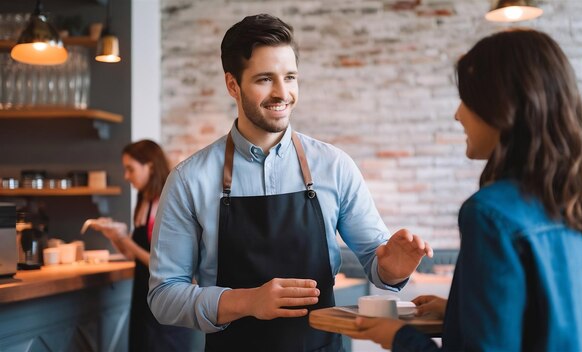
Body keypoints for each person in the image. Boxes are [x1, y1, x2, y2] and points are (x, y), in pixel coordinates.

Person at [147, 14, 433, 352]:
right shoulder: (189, 179)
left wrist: (392, 268)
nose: (283, 93)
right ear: (232, 85)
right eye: (265, 79)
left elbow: (377, 261)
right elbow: (164, 296)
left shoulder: (334, 166)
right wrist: (247, 301)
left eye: (290, 77)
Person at [344, 28, 582, 351]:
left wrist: (395, 335)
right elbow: (555, 326)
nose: (458, 114)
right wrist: (458, 313)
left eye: (467, 100)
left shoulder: (490, 215)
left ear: (502, 107)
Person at [85, 140, 195, 352]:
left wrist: (125, 239)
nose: (126, 176)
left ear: (150, 166)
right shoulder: (143, 198)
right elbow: (131, 254)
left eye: (130, 169)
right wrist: (115, 235)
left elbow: (161, 262)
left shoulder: (168, 200)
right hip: (143, 297)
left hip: (168, 300)